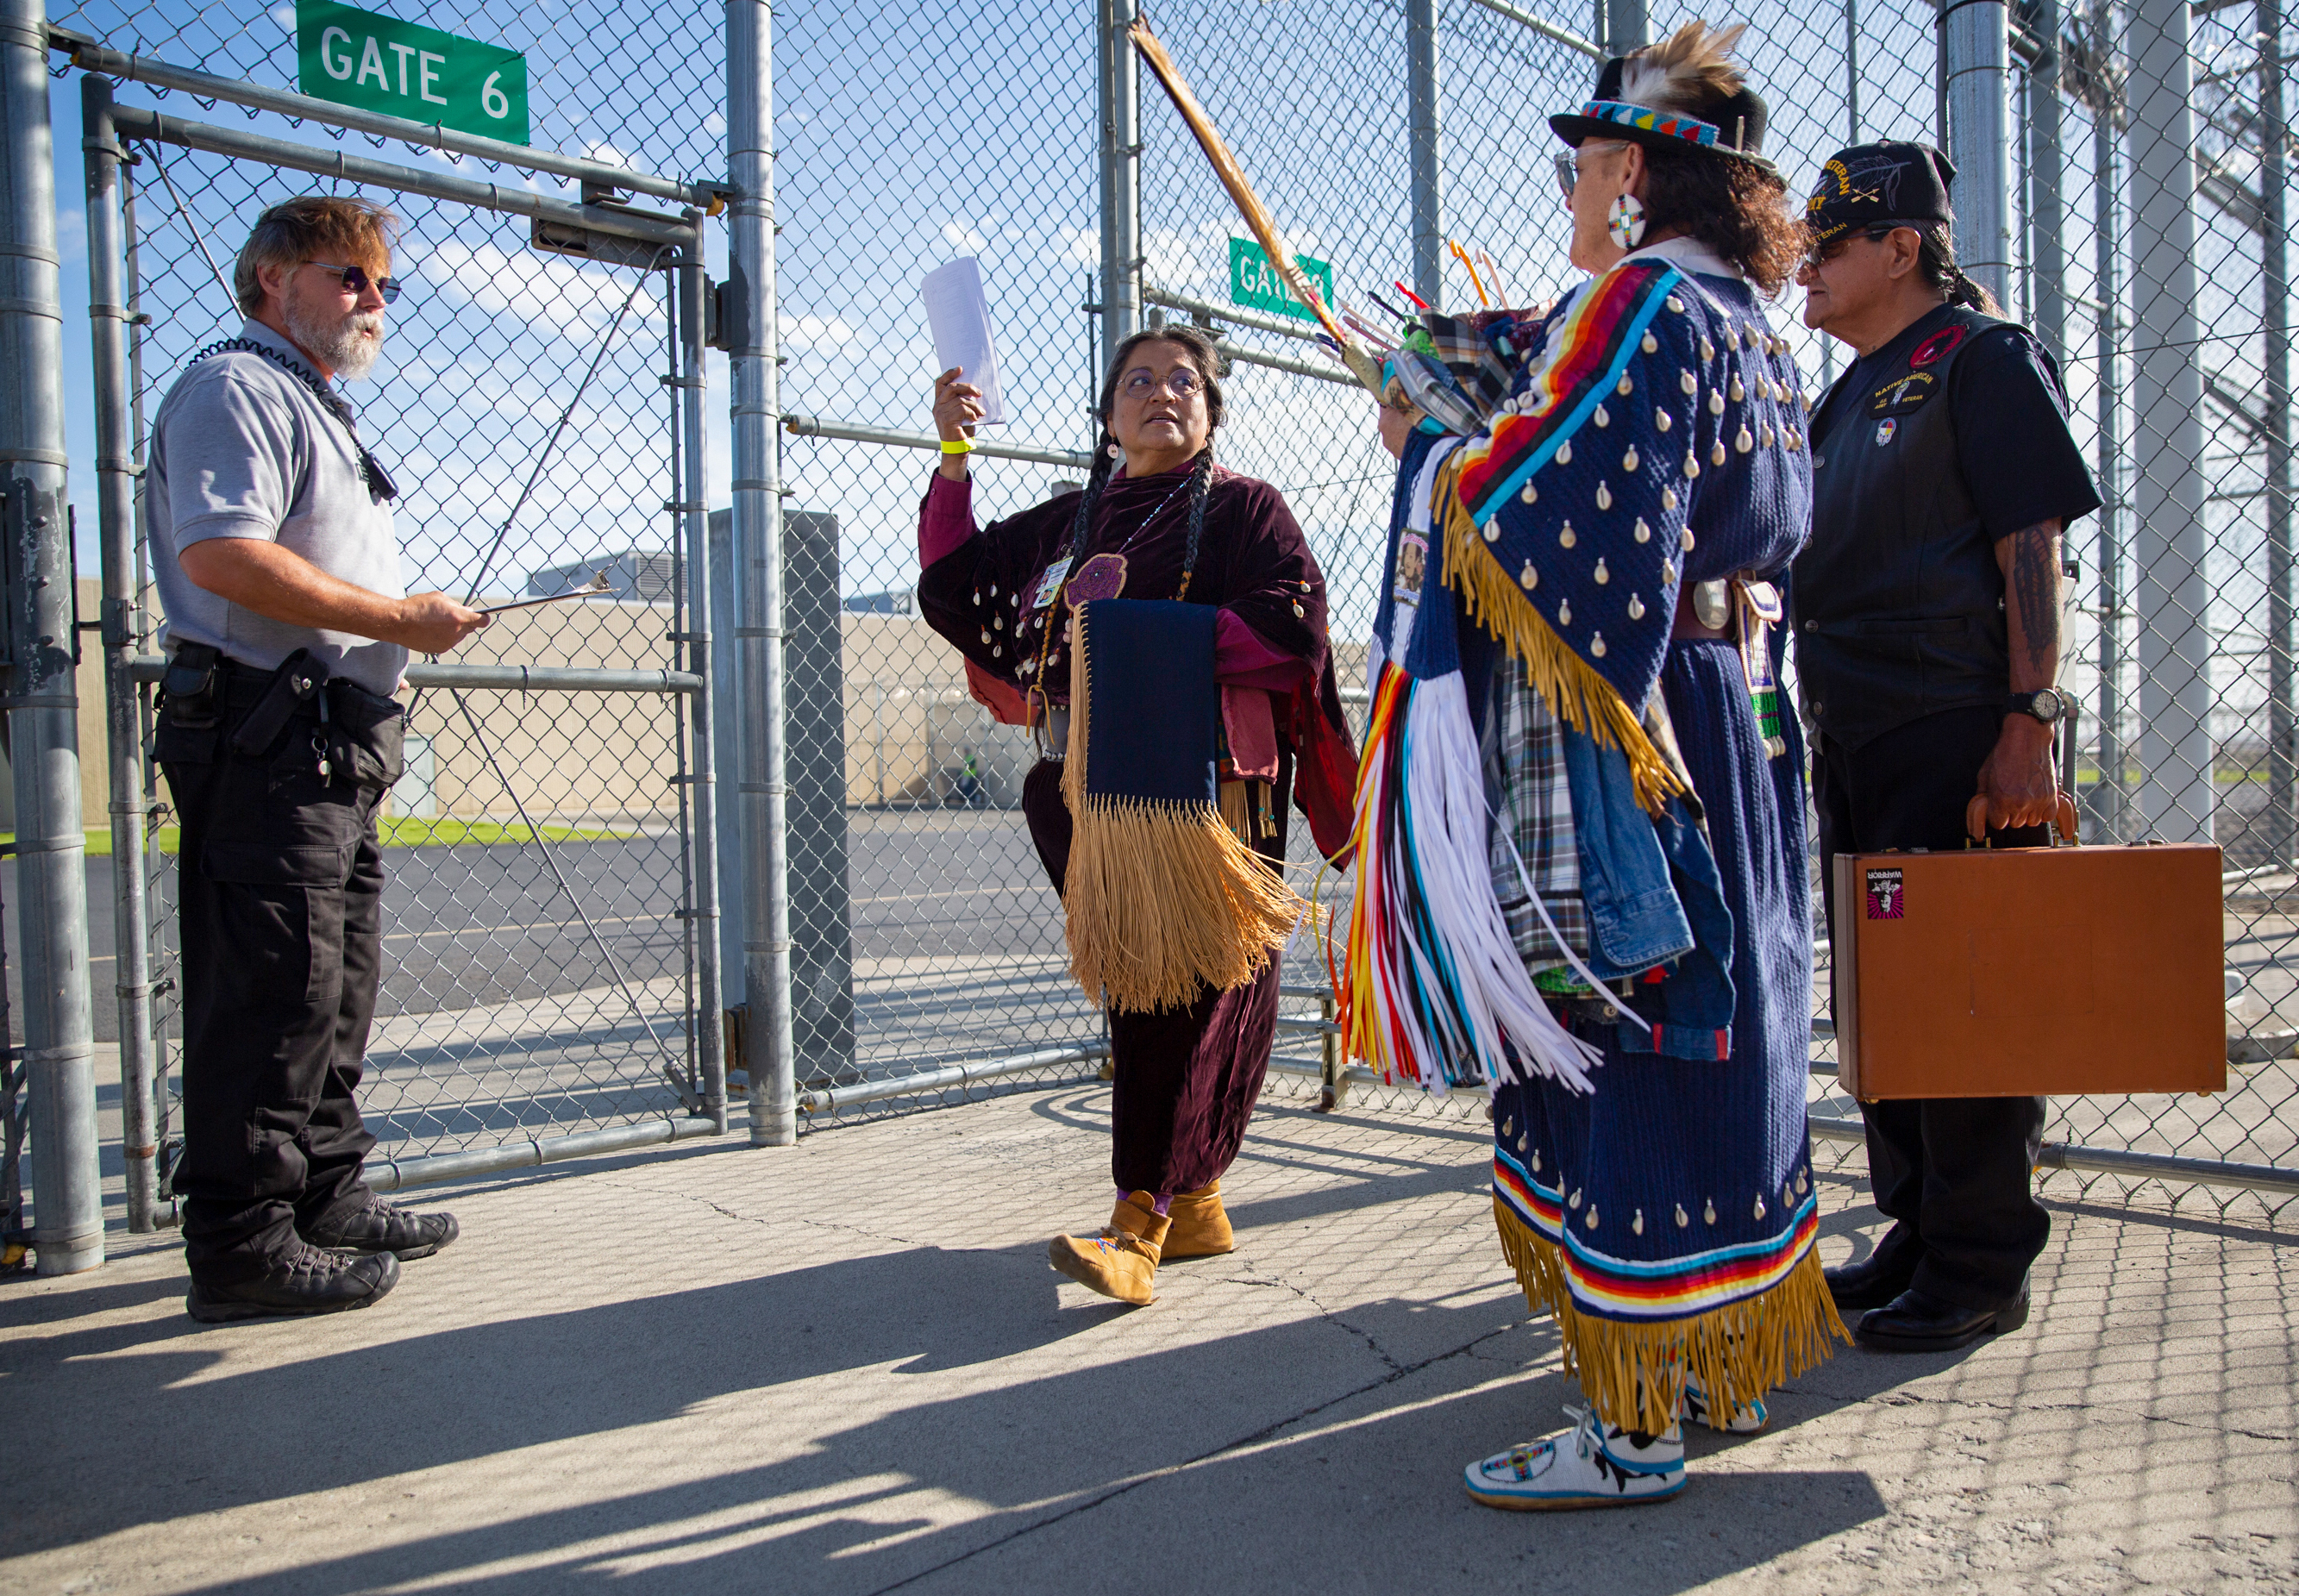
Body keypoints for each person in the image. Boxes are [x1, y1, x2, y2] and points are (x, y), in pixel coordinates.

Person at [1362, 21, 1842, 1508]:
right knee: (1725, 1021)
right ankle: (1709, 1363)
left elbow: (1529, 502)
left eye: (1586, 160)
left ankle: (1630, 1432)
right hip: (1731, 712)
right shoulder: (1750, 326)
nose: (1574, 185)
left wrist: (1438, 440)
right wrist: (1487, 373)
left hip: (1640, 737)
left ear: (1635, 172)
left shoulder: (1638, 303)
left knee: (1628, 1018)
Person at [916, 326, 1356, 1305]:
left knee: (1172, 992)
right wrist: (953, 460)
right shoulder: (1079, 519)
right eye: (1140, 380)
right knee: (1149, 989)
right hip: (1086, 789)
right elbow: (957, 587)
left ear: (1211, 410)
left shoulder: (1246, 510)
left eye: (1185, 381)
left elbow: (1292, 629)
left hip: (1208, 792)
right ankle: (1189, 1200)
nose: (1163, 392)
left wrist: (1138, 641)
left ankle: (1137, 1221)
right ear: (1110, 413)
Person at [150, 197, 491, 1323]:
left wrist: (392, 635)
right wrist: (396, 615)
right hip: (267, 724)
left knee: (335, 977)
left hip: (326, 737)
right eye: (349, 277)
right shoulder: (235, 388)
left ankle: (323, 1188)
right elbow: (224, 555)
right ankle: (242, 1237)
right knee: (275, 980)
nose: (373, 302)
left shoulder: (312, 406)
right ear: (271, 278)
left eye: (382, 285)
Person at [1793, 141, 2101, 1352]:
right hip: (1852, 721)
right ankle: (1918, 1227)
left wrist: (2029, 718)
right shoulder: (1847, 390)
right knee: (1888, 1006)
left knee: (1962, 998)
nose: (1803, 271)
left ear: (1899, 248)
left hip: (1952, 718)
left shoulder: (1981, 359)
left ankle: (1981, 1258)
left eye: (1826, 249)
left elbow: (2031, 539)